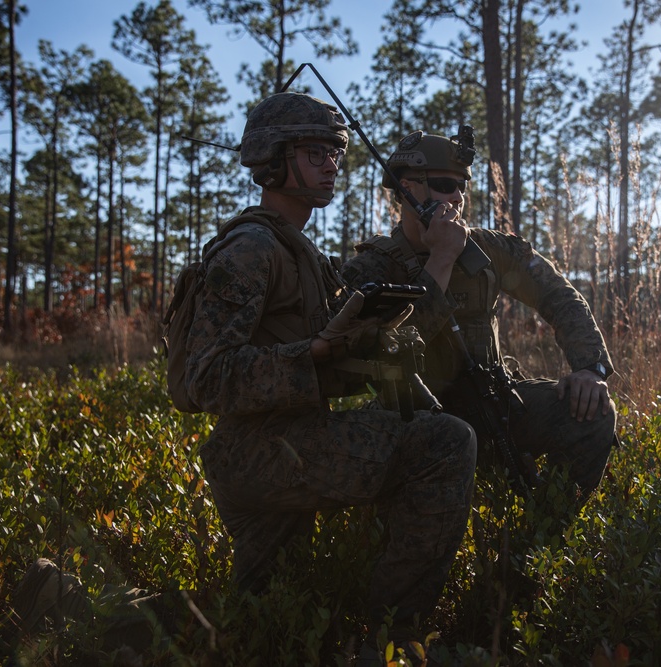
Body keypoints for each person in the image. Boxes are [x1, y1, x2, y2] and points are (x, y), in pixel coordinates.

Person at [183, 93, 477, 660]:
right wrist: (313, 352)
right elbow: (206, 378)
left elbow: (365, 352)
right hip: (260, 450)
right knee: (445, 444)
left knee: (257, 624)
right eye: (314, 152)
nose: (330, 165)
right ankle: (392, 639)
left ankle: (67, 603)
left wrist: (427, 274)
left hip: (285, 443)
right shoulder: (250, 249)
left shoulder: (302, 253)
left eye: (335, 153)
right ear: (273, 159)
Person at [341, 128, 615, 509]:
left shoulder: (488, 248)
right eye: (442, 185)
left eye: (461, 188)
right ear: (407, 189)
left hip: (494, 401)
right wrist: (440, 262)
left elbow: (558, 293)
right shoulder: (370, 268)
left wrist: (590, 367)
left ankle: (542, 545)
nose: (456, 197)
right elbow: (374, 354)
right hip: (415, 420)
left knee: (594, 413)